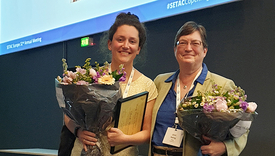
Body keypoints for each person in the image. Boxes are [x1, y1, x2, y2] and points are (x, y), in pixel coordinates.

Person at [149, 21, 249, 156]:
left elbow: (242, 125)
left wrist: (226, 146)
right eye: (182, 43)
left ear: (205, 51)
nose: (188, 48)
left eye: (195, 43)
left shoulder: (222, 85)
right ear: (175, 50)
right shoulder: (160, 82)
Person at [65, 12, 158, 156]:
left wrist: (125, 139)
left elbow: (147, 133)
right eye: (120, 39)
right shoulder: (90, 77)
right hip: (84, 151)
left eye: (132, 41)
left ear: (138, 49)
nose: (125, 45)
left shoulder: (147, 85)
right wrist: (78, 131)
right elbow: (68, 116)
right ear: (110, 44)